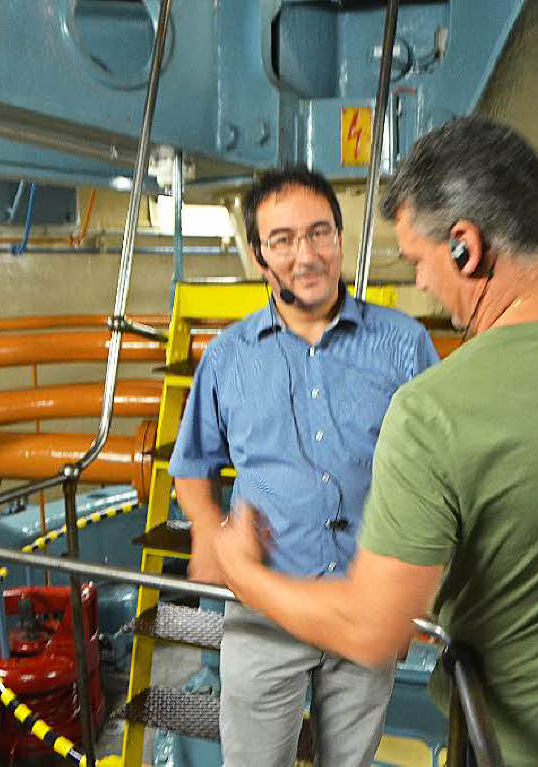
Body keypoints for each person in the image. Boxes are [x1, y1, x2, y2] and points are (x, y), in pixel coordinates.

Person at [214, 117, 538, 766]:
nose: (422, 282)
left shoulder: (432, 411)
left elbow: (373, 627)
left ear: (466, 247)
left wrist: (242, 572)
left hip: (530, 749)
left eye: (419, 259)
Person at [168, 165, 438, 766]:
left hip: (364, 602)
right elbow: (192, 468)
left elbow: (441, 472)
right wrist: (211, 536)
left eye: (320, 233)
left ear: (341, 240)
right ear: (260, 257)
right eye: (283, 240)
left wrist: (429, 581)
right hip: (263, 611)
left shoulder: (402, 344)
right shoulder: (227, 359)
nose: (306, 255)